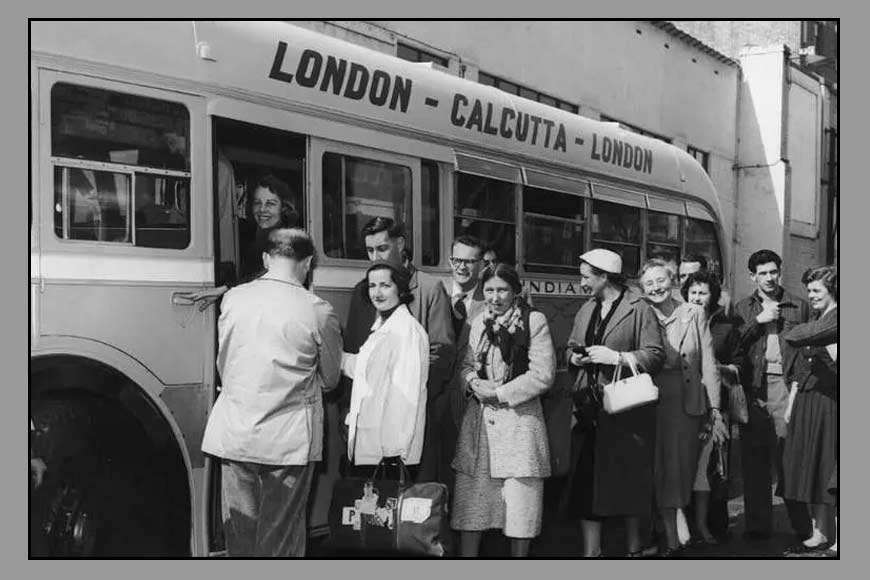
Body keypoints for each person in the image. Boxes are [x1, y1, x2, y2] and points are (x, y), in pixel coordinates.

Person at [200, 228, 342, 557]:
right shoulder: (319, 310)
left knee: (241, 534)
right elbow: (331, 378)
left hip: (236, 434)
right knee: (280, 539)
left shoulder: (234, 298)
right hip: (288, 443)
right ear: (307, 263)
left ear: (266, 258)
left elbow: (226, 362)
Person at [565, 249, 665, 558]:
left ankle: (636, 548)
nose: (581, 283)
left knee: (628, 482)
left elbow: (656, 355)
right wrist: (574, 356)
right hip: (588, 409)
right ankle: (591, 553)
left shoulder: (640, 309)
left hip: (625, 413)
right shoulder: (586, 309)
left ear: (604, 276)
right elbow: (569, 347)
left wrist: (618, 357)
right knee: (585, 482)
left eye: (586, 277)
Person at [451, 263, 556, 558]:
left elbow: (543, 374)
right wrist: (471, 381)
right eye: (489, 291)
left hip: (520, 428)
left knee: (520, 513)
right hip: (480, 429)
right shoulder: (477, 322)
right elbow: (466, 364)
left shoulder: (533, 321)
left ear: (516, 291)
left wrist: (499, 393)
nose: (495, 297)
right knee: (471, 510)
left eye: (502, 290)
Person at [340, 217, 455, 484]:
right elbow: (355, 350)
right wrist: (350, 409)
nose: (374, 256)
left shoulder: (428, 288)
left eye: (382, 248)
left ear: (401, 244)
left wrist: (412, 402)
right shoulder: (364, 290)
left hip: (410, 418)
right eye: (369, 250)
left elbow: (442, 354)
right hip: (368, 417)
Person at [639, 259, 726, 557]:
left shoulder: (693, 313)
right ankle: (670, 540)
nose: (656, 288)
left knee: (677, 471)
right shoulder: (640, 313)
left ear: (673, 280)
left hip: (684, 405)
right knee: (654, 470)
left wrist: (715, 410)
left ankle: (672, 534)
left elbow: (709, 365)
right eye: (648, 283)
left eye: (660, 280)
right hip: (646, 403)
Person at [732, 249, 812, 543]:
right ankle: (758, 527)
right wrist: (758, 321)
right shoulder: (741, 308)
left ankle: (803, 527)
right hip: (753, 389)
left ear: (780, 271)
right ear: (752, 276)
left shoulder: (798, 306)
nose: (769, 277)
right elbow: (733, 348)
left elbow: (809, 350)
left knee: (789, 458)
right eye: (762, 273)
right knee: (754, 461)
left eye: (773, 271)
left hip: (787, 387)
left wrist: (798, 388)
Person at [342, 261, 429, 470]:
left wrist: (393, 453)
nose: (377, 292)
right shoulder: (383, 327)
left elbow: (407, 396)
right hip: (374, 444)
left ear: (400, 288)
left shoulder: (407, 331)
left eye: (385, 285)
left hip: (389, 452)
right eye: (372, 286)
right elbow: (365, 372)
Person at [681, 270, 744, 545]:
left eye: (702, 292)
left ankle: (710, 526)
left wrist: (715, 368)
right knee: (681, 467)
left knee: (709, 471)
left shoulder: (726, 327)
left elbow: (739, 365)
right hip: (682, 404)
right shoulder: (677, 320)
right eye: (692, 292)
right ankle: (680, 526)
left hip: (713, 405)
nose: (696, 297)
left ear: (713, 296)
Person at [781, 266, 838, 557]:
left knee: (831, 466)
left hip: (831, 402)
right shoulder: (819, 319)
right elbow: (801, 367)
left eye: (816, 290)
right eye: (809, 290)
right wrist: (792, 402)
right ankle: (820, 532)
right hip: (809, 397)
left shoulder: (837, 320)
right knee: (815, 467)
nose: (810, 295)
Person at [184, 174, 301, 307]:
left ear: (284, 208)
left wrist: (224, 289)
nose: (262, 209)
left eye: (270, 204)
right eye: (257, 203)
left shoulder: (289, 240)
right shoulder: (260, 236)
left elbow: (268, 274)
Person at [441, 235, 489, 493]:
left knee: (469, 469)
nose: (462, 267)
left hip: (469, 397)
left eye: (470, 261)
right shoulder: (434, 292)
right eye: (457, 260)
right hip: (435, 395)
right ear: (450, 261)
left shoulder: (490, 298)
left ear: (481, 265)